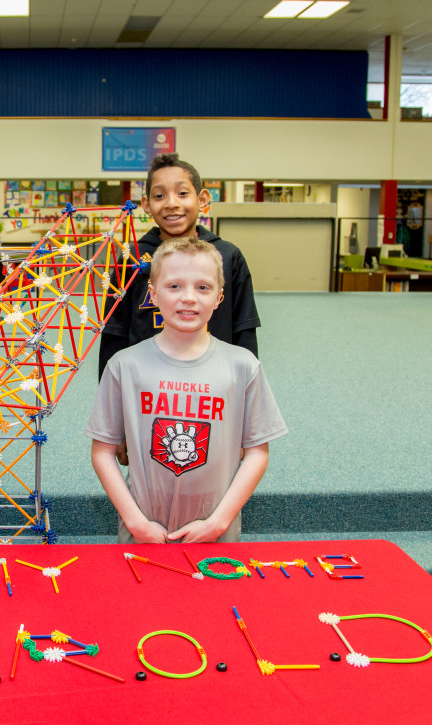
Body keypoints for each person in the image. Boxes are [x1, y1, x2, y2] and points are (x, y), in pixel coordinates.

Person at [85, 237, 287, 544]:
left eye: (203, 288)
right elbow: (102, 452)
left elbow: (258, 452)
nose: (189, 298)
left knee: (217, 594)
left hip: (217, 532)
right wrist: (137, 524)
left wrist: (218, 523)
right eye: (174, 286)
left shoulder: (243, 366)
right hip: (143, 530)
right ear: (152, 294)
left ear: (220, 296)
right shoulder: (124, 366)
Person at [98, 153, 260, 380]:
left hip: (214, 380)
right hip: (147, 379)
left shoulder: (228, 256)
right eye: (159, 195)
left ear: (202, 199)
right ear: (146, 204)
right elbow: (115, 332)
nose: (172, 203)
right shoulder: (132, 258)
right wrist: (110, 391)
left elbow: (243, 329)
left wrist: (246, 386)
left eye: (182, 193)